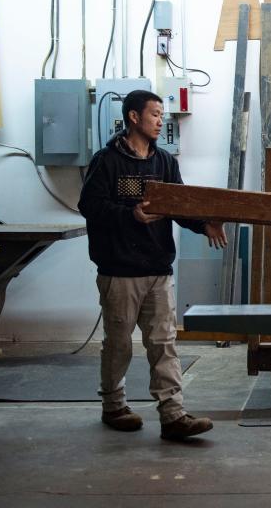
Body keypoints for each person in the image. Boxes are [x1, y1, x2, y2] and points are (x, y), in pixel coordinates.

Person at [78, 90, 228, 441]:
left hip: (158, 268)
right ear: (134, 117)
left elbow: (178, 205)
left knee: (164, 342)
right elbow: (90, 206)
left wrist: (204, 223)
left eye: (163, 115)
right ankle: (114, 406)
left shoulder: (164, 162)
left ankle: (173, 415)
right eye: (155, 114)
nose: (161, 121)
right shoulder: (107, 161)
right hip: (119, 270)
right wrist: (129, 214)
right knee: (119, 344)